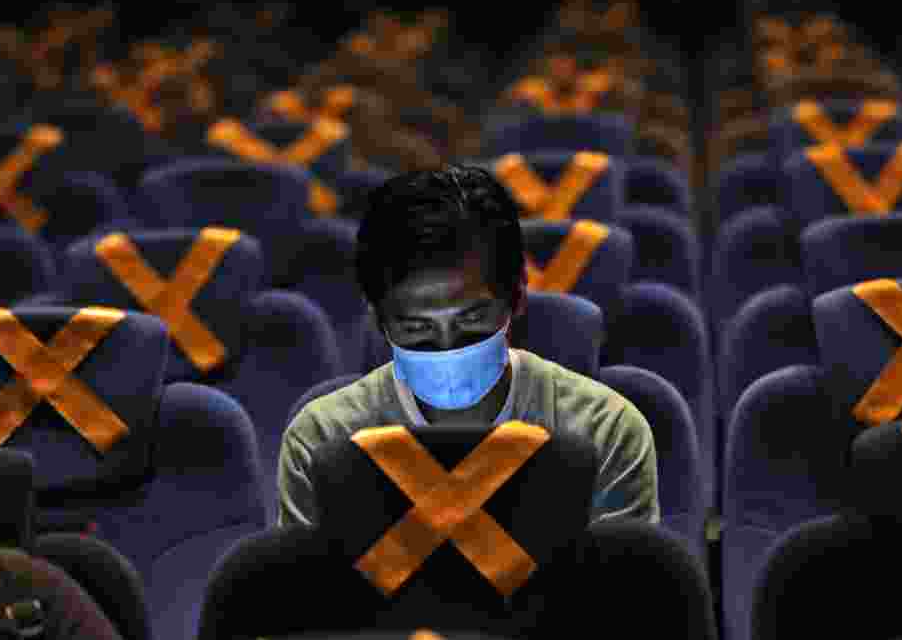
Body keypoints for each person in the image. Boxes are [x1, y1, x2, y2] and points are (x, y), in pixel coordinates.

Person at [278, 165, 659, 527]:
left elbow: (619, 595)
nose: (447, 348)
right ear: (378, 319)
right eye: (416, 328)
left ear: (517, 298)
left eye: (471, 321)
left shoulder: (606, 433)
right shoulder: (322, 441)